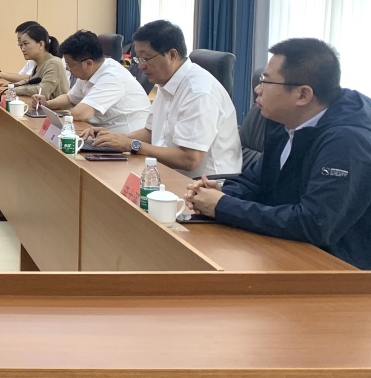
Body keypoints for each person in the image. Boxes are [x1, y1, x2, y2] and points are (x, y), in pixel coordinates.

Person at [186, 38, 371, 269]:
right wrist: (220, 193)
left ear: (302, 95)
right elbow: (255, 182)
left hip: (340, 268)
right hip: (286, 247)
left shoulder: (347, 141)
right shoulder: (285, 120)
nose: (257, 89)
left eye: (266, 81)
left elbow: (315, 224)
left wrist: (223, 206)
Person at [87, 20, 240, 178]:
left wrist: (130, 145)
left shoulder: (199, 92)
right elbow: (150, 133)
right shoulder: (166, 81)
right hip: (167, 173)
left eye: (146, 59)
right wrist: (113, 139)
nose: (141, 66)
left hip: (206, 183)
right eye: (138, 59)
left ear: (172, 55)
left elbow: (189, 159)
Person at [32, 30, 150, 135]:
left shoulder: (112, 77)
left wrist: (66, 114)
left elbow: (81, 114)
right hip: (102, 134)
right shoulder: (88, 73)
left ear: (88, 63)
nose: (67, 68)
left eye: (69, 64)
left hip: (127, 142)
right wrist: (46, 104)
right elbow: (70, 99)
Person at [0, 24, 68, 100]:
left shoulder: (53, 63)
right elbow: (29, 81)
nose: (23, 49)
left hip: (57, 108)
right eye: (22, 45)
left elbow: (42, 91)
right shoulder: (39, 63)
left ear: (41, 44)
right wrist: (10, 86)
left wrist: (13, 90)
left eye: (26, 44)